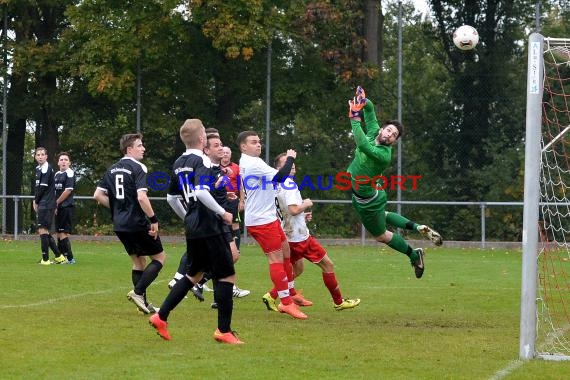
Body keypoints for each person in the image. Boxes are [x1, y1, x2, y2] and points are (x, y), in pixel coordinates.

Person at [149, 119, 243, 344]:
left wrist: (188, 216)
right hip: (209, 226)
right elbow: (201, 192)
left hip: (194, 226)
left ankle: (161, 316)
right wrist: (222, 212)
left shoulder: (179, 162)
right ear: (202, 139)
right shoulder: (201, 160)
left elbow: (171, 197)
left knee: (194, 274)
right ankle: (224, 330)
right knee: (226, 274)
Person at [346, 86, 442, 279]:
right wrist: (363, 101)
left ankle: (414, 254)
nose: (390, 135)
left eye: (394, 135)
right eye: (389, 130)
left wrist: (354, 117)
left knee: (381, 235)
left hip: (366, 199)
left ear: (394, 141)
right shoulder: (375, 131)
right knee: (382, 214)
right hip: (373, 191)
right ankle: (416, 227)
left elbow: (362, 144)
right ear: (383, 129)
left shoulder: (383, 155)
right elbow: (370, 111)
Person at [273, 153, 361, 311]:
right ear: (279, 168)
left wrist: (302, 215)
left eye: (292, 161)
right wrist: (305, 204)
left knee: (295, 269)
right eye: (287, 162)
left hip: (288, 235)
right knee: (328, 265)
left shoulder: (276, 185)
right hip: (299, 237)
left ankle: (272, 295)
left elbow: (286, 211)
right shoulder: (289, 184)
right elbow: (293, 210)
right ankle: (339, 302)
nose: (291, 164)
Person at [238, 130, 310, 320]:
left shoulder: (253, 161)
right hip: (261, 221)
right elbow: (281, 176)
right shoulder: (252, 163)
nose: (258, 144)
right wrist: (290, 159)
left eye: (259, 141)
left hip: (269, 218)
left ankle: (291, 294)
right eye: (253, 142)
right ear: (243, 147)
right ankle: (286, 303)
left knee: (286, 254)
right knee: (276, 259)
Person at [93, 133, 166, 314]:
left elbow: (97, 195)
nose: (143, 149)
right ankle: (138, 292)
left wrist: (117, 208)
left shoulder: (111, 169)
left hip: (120, 224)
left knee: (138, 261)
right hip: (136, 222)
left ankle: (143, 305)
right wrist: (154, 219)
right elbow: (142, 197)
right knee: (159, 258)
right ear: (129, 149)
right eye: (140, 145)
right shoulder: (138, 167)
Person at [33, 147, 67, 265]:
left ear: (46, 156)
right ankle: (59, 257)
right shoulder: (38, 168)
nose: (40, 156)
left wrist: (36, 201)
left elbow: (42, 188)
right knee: (44, 231)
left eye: (43, 154)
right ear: (35, 157)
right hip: (44, 203)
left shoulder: (46, 168)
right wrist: (35, 199)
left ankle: (45, 260)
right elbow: (37, 188)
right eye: (38, 155)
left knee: (42, 230)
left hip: (46, 204)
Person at [54, 152, 76, 264]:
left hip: (66, 207)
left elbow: (68, 191)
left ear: (69, 162)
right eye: (61, 159)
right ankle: (61, 258)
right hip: (58, 207)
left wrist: (56, 203)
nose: (63, 161)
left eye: (66, 160)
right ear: (58, 162)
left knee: (63, 233)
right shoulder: (57, 174)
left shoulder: (70, 173)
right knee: (58, 233)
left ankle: (70, 258)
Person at [220, 146, 243, 248]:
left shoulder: (236, 167)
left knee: (234, 224)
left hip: (233, 199)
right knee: (220, 223)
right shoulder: (215, 167)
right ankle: (222, 247)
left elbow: (241, 185)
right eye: (223, 152)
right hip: (219, 199)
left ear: (230, 155)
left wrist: (242, 201)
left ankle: (236, 249)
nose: (225, 154)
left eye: (227, 153)